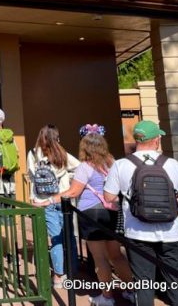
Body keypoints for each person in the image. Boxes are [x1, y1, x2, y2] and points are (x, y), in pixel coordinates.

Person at [103, 120, 178, 306]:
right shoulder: (173, 164)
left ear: (137, 139)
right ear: (156, 139)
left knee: (144, 285)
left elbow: (109, 197)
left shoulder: (120, 165)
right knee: (177, 285)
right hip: (171, 233)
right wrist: (165, 203)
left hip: (137, 233)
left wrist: (137, 202)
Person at [54, 130, 134, 305]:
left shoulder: (85, 167)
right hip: (112, 211)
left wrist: (50, 199)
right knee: (116, 255)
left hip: (92, 213)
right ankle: (131, 291)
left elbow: (74, 191)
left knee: (100, 258)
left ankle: (107, 297)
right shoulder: (112, 163)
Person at [27, 124, 80, 288]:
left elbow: (31, 175)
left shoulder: (33, 154)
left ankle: (58, 276)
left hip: (43, 200)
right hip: (63, 199)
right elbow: (79, 167)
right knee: (69, 235)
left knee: (55, 238)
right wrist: (67, 176)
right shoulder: (62, 153)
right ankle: (72, 272)